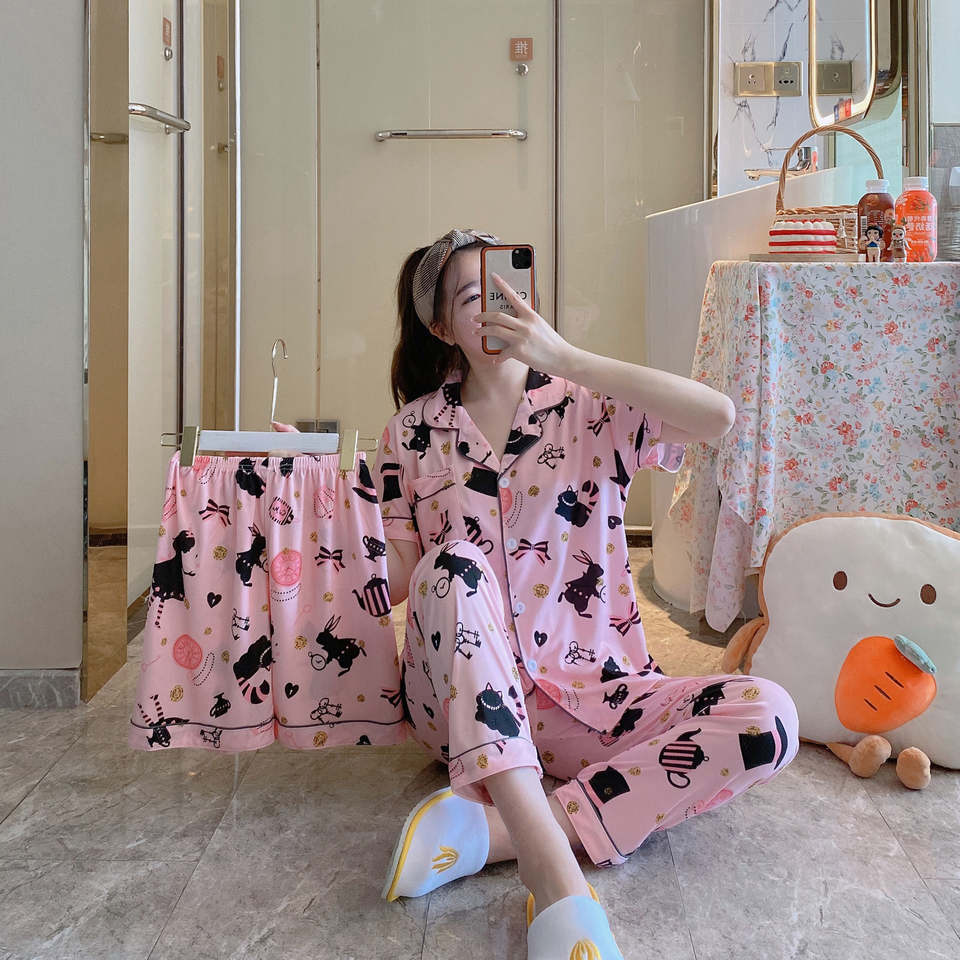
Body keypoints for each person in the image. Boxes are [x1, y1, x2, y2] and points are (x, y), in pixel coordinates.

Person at [278, 228, 800, 958]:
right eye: (472, 298)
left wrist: (566, 358)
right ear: (442, 328)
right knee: (454, 564)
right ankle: (554, 878)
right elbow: (391, 581)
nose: (498, 308)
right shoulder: (410, 435)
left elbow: (719, 417)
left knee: (767, 717)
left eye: (507, 289)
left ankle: (493, 833)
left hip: (596, 696)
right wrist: (314, 500)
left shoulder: (592, 405)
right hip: (457, 706)